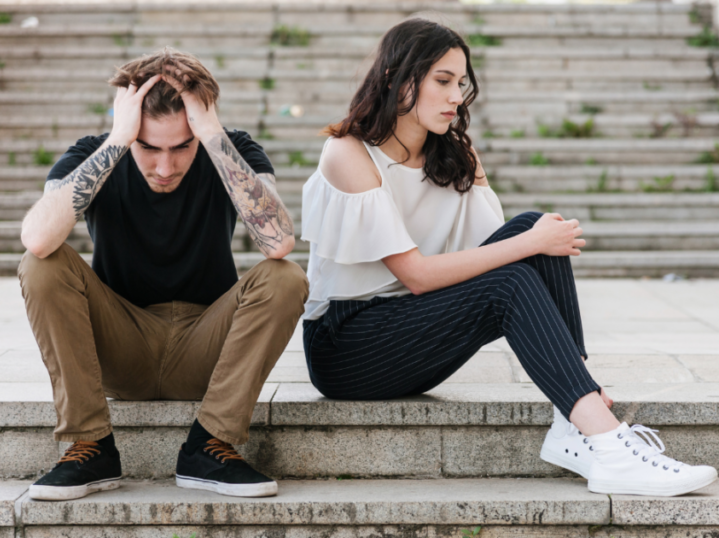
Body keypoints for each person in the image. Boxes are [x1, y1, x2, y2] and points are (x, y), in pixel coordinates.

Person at [300, 19, 716, 497]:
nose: (456, 96)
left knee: (529, 226)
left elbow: (497, 252)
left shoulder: (452, 155)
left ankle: (574, 421)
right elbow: (415, 275)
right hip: (347, 346)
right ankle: (603, 438)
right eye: (442, 81)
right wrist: (530, 243)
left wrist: (523, 230)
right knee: (521, 258)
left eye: (461, 83)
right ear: (399, 78)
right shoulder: (349, 153)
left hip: (412, 329)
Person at [18, 48, 308, 501]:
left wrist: (211, 133)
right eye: (149, 147)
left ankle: (210, 445)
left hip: (207, 347)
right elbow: (35, 240)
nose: (165, 167)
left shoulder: (230, 149)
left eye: (181, 146)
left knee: (285, 275)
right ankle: (90, 444)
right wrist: (117, 140)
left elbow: (279, 242)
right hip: (121, 346)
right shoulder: (96, 153)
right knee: (41, 263)